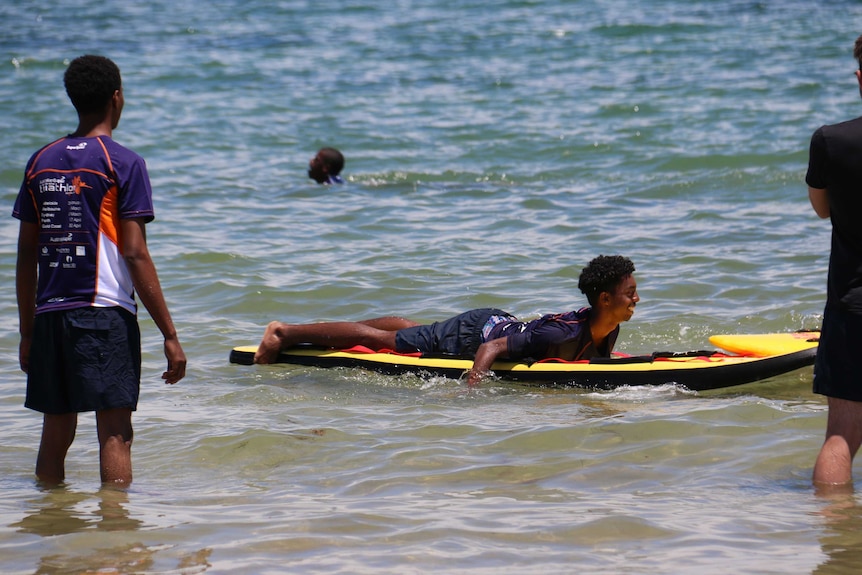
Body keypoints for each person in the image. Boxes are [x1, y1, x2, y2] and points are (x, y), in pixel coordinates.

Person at [13, 55, 187, 486]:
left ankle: (51, 536)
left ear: (74, 100)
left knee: (56, 431)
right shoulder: (123, 163)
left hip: (50, 315)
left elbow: (25, 255)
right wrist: (169, 333)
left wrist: (27, 331)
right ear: (116, 97)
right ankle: (117, 541)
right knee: (115, 433)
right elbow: (134, 253)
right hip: (103, 315)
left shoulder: (41, 161)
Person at [255, 255, 638, 385]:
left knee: (412, 330)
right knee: (387, 343)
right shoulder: (564, 331)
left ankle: (347, 328)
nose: (636, 298)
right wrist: (473, 387)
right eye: (629, 294)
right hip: (475, 335)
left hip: (493, 321)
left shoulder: (609, 326)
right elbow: (490, 348)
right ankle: (284, 332)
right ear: (604, 300)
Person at [806, 35, 862, 487]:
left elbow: (822, 209)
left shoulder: (831, 141)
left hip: (853, 304)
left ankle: (838, 546)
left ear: (860, 78)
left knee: (841, 434)